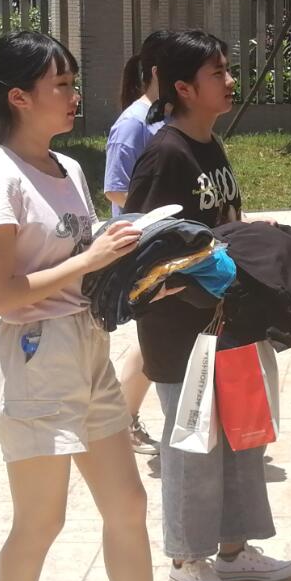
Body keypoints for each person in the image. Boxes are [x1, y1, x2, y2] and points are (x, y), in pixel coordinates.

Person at [0, 31, 221, 581]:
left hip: (87, 345)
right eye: (61, 85)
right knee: (41, 522)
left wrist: (146, 268)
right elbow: (2, 295)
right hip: (35, 358)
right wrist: (90, 260)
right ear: (19, 97)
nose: (74, 96)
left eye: (72, 83)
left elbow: (87, 265)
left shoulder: (66, 169)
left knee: (127, 506)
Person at [126, 30, 291, 581]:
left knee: (242, 438)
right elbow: (143, 247)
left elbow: (219, 226)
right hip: (182, 334)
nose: (230, 80)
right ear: (183, 88)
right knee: (193, 444)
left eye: (228, 69)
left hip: (230, 324)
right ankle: (186, 557)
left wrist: (251, 237)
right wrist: (198, 278)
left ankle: (234, 547)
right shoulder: (166, 154)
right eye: (218, 72)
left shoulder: (209, 145)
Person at [104, 29, 173, 456]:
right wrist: (164, 213)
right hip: (144, 245)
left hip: (168, 244)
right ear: (158, 72)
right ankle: (121, 421)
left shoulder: (166, 117)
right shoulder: (132, 123)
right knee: (153, 336)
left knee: (155, 335)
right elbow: (115, 188)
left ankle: (121, 420)